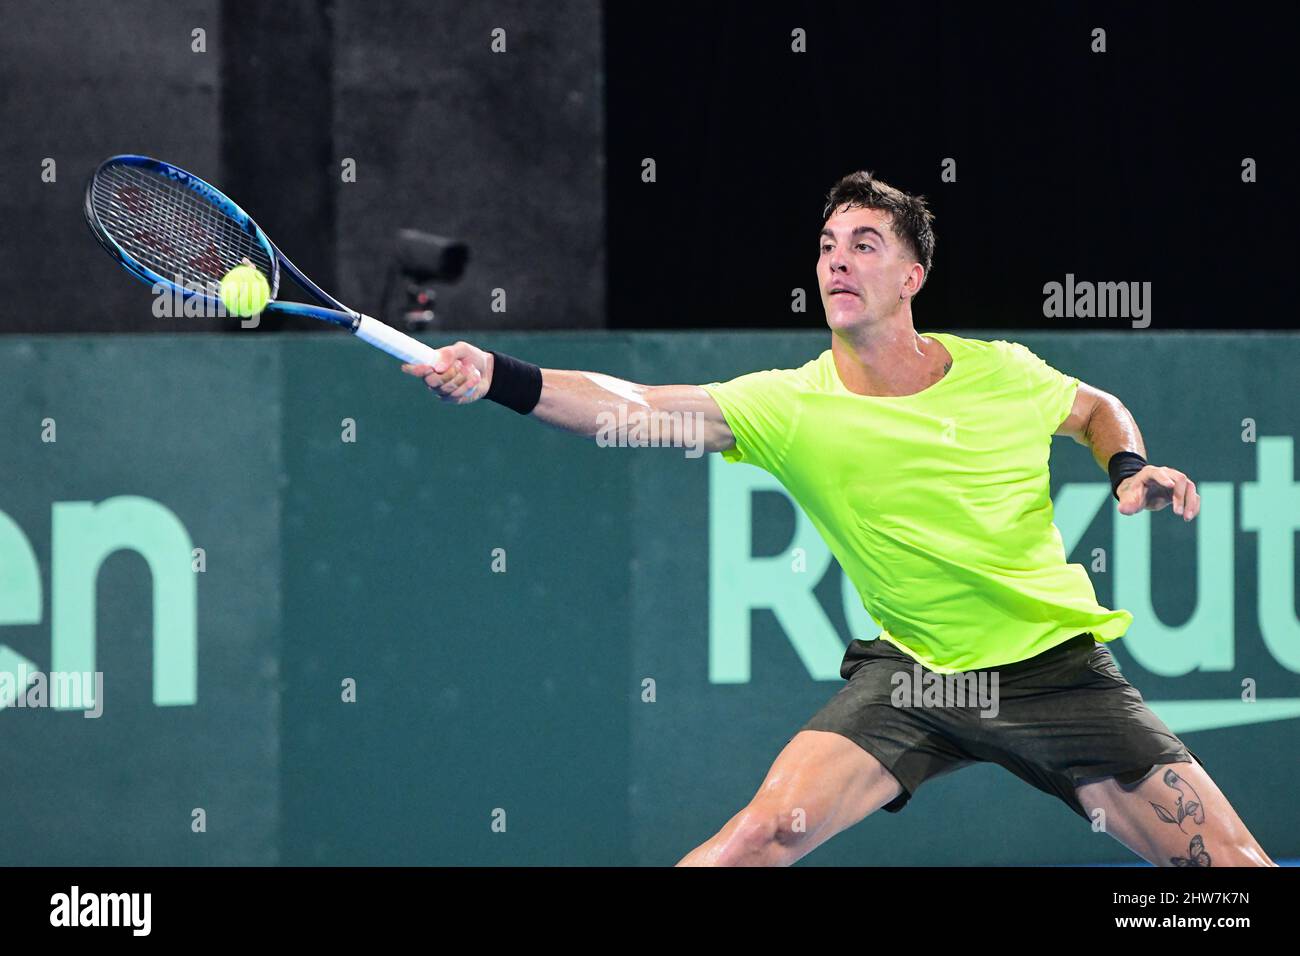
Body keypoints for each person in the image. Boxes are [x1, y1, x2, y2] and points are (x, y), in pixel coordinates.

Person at [401, 171, 1274, 867]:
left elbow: (1095, 409)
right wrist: (500, 377)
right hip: (916, 680)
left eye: (865, 245)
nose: (837, 262)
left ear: (912, 276)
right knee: (761, 837)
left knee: (1226, 871)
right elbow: (630, 406)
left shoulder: (1003, 373)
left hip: (1056, 674)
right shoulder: (789, 408)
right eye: (826, 247)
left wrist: (1126, 470)